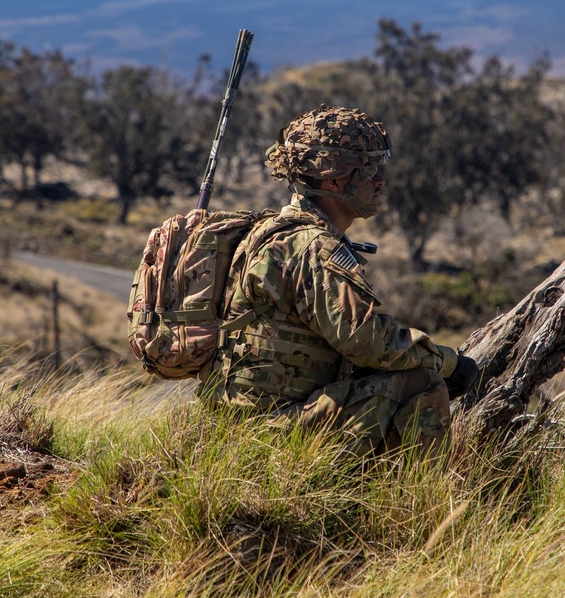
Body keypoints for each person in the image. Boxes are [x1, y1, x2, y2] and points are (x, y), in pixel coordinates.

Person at [200, 105, 481, 456]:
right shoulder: (313, 247)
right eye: (368, 170)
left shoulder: (269, 232)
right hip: (266, 434)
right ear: (332, 178)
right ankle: (420, 505)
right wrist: (451, 363)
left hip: (236, 426)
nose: (380, 180)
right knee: (420, 383)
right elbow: (369, 342)